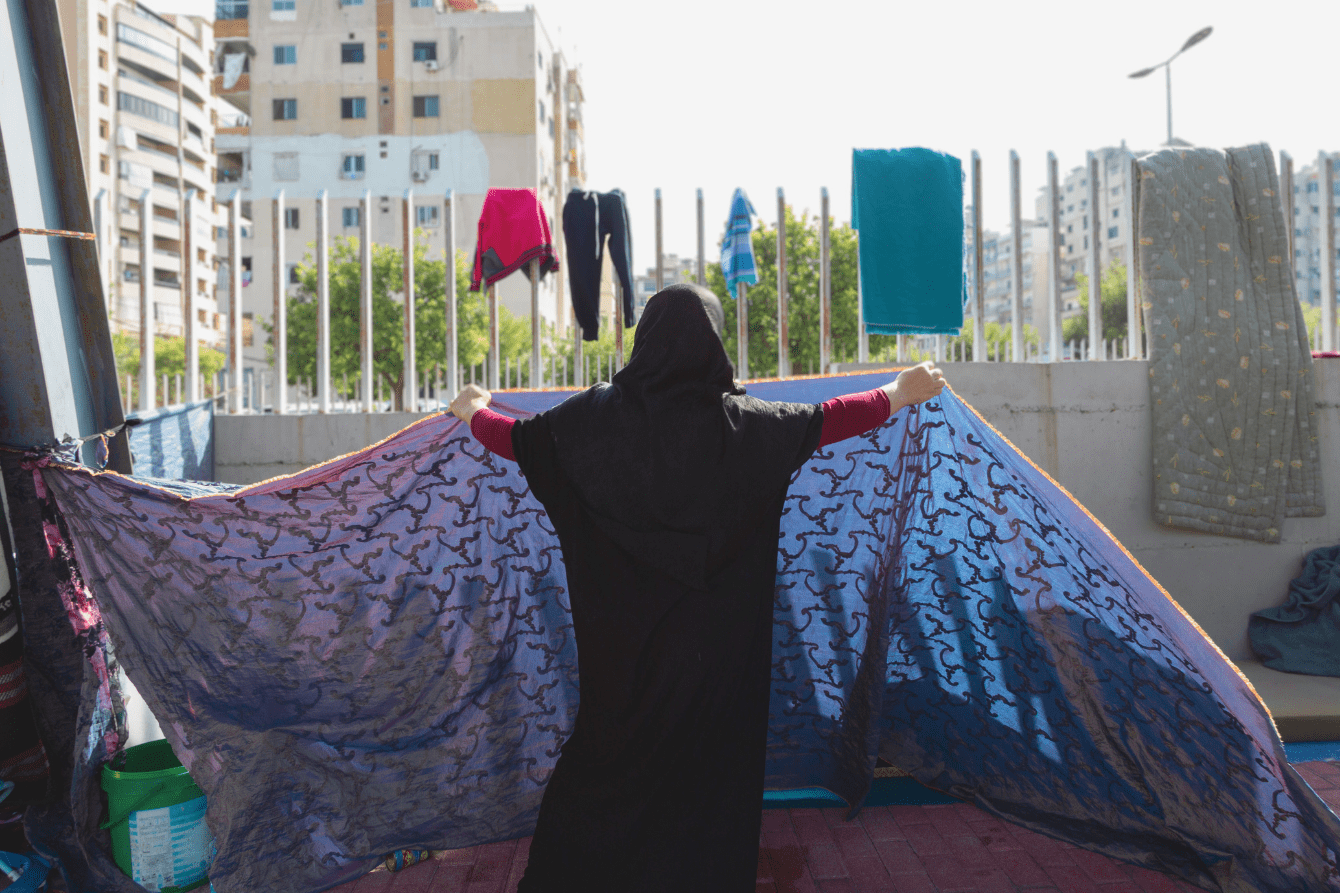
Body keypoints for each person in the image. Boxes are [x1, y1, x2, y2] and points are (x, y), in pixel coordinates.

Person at [449, 283, 945, 892]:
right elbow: (829, 420)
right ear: (716, 342)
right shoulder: (744, 426)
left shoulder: (588, 421)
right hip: (717, 662)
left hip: (621, 660)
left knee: (607, 761)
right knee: (709, 775)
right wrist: (902, 392)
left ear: (644, 341)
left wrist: (473, 409)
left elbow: (514, 439)